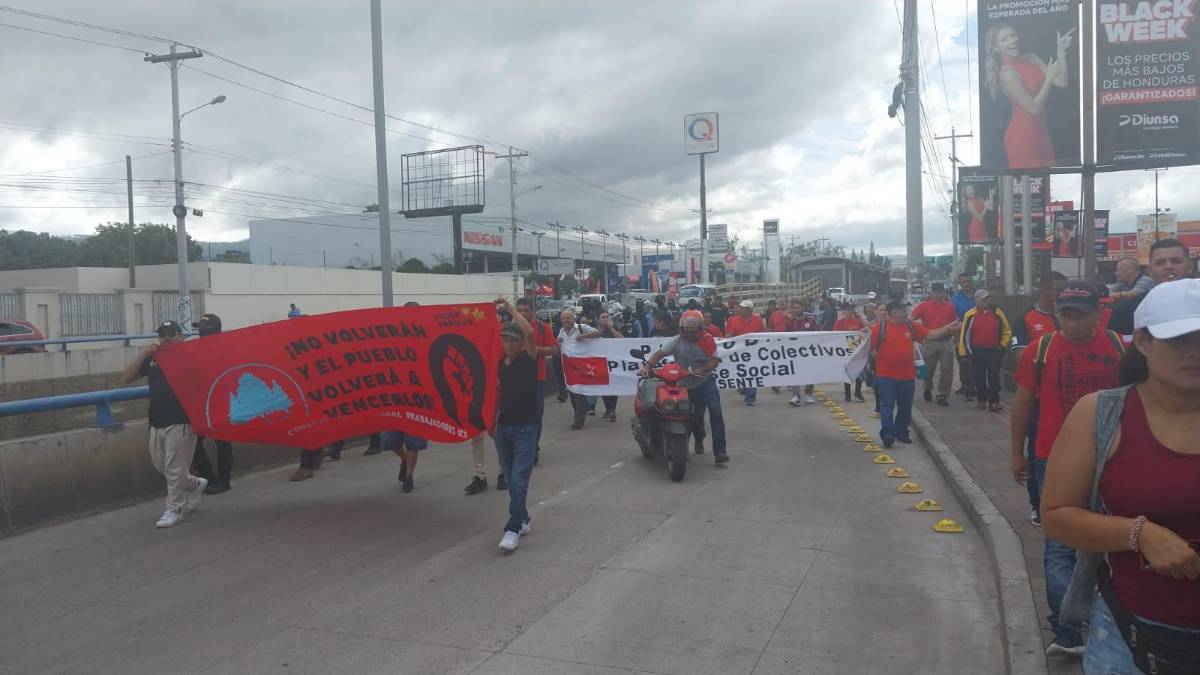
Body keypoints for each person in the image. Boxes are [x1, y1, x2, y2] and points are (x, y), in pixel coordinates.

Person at [1041, 279, 1200, 673]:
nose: (1195, 352)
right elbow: (1058, 515)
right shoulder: (1101, 414)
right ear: (1143, 342)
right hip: (1134, 637)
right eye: (1180, 339)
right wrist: (1140, 534)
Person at [1009, 282, 1125, 656]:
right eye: (1066, 314)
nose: (1073, 322)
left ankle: (1105, 621)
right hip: (1053, 457)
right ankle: (1067, 629)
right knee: (1060, 544)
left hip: (1110, 456)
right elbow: (1023, 405)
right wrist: (1017, 453)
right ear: (1057, 314)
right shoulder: (1038, 351)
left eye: (1081, 314)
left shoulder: (1119, 347)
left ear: (1098, 313)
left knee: (1108, 540)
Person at [122, 320, 206, 528]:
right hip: (157, 419)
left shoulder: (190, 356)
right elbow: (126, 377)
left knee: (174, 468)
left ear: (180, 336)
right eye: (162, 335)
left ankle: (174, 509)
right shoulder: (153, 358)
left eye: (172, 333)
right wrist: (144, 354)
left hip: (181, 419)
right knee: (161, 465)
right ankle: (194, 484)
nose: (166, 338)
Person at [870, 300, 960, 448]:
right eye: (903, 311)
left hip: (907, 376)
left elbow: (930, 334)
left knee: (905, 406)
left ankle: (902, 432)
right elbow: (866, 348)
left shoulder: (910, 326)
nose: (907, 313)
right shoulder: (879, 328)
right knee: (888, 405)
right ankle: (888, 434)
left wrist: (947, 329)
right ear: (893, 313)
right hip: (885, 376)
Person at [640, 310, 727, 463]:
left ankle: (720, 451)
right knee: (689, 417)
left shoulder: (707, 340)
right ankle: (686, 444)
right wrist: (647, 367)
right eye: (686, 332)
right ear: (681, 330)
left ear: (700, 330)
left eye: (693, 333)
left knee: (715, 412)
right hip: (684, 384)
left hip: (705, 381)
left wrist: (699, 370)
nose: (689, 336)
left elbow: (714, 361)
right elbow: (659, 354)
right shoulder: (676, 341)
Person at [984, 22, 1073, 169]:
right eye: (1004, 39)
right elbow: (1033, 109)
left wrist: (1061, 53)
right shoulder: (1007, 73)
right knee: (1025, 189)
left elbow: (1062, 82)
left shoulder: (1031, 58)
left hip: (1041, 134)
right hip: (1022, 137)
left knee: (1044, 187)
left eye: (1013, 35)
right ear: (996, 48)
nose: (1012, 40)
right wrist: (1049, 79)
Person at [493, 298, 540, 552]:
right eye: (506, 340)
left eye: (513, 340)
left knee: (519, 478)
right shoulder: (502, 365)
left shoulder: (529, 358)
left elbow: (530, 332)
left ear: (521, 343)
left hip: (525, 428)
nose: (509, 344)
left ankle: (512, 529)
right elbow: (501, 395)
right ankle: (523, 519)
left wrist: (511, 310)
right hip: (504, 428)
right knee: (511, 482)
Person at [188, 313, 235, 494]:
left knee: (223, 442)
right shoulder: (195, 350)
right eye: (199, 328)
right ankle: (208, 477)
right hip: (200, 402)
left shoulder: (224, 349)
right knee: (195, 443)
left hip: (220, 401)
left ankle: (223, 480)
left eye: (204, 329)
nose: (201, 332)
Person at [1108, 238, 1194, 335]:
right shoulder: (1128, 309)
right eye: (1160, 263)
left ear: (1190, 267)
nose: (1168, 266)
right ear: (1150, 271)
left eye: (1176, 261)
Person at [516, 298, 557, 462]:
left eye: (526, 310)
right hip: (516, 380)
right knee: (518, 416)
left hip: (537, 380)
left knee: (535, 416)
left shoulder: (542, 327)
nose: (523, 313)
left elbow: (554, 350)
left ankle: (533, 448)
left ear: (532, 310)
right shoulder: (514, 328)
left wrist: (534, 349)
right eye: (520, 310)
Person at [959, 289, 1013, 412]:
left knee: (994, 377)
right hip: (976, 351)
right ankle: (981, 400)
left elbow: (1007, 330)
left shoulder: (997, 312)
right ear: (976, 300)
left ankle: (994, 402)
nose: (986, 301)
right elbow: (965, 335)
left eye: (987, 298)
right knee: (979, 377)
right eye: (983, 299)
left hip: (994, 351)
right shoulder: (970, 314)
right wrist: (964, 353)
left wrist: (1002, 346)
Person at [911, 283, 958, 407]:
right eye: (935, 292)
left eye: (941, 292)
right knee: (928, 370)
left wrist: (957, 340)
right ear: (931, 293)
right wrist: (920, 333)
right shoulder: (924, 306)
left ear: (944, 293)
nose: (938, 295)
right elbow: (911, 319)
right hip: (930, 341)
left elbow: (954, 324)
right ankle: (927, 388)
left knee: (947, 370)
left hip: (947, 342)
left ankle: (943, 395)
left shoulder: (950, 307)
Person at [557, 309, 601, 429]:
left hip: (583, 365)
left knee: (579, 392)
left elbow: (597, 333)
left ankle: (579, 419)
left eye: (568, 318)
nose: (565, 320)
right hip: (569, 367)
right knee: (572, 391)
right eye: (563, 319)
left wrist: (583, 336)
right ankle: (579, 414)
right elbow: (559, 345)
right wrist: (558, 341)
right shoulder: (561, 331)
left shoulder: (582, 327)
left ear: (573, 318)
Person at [727, 300, 766, 406]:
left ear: (750, 310)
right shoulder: (735, 320)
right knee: (742, 373)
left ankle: (750, 398)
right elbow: (731, 335)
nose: (741, 310)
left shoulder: (757, 320)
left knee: (753, 374)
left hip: (754, 352)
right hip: (739, 352)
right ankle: (744, 388)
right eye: (741, 308)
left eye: (743, 308)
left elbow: (763, 336)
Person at [1015, 272, 1067, 346]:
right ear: (1044, 289)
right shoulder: (1024, 318)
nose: (1063, 294)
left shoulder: (1068, 317)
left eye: (1065, 290)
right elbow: (1020, 353)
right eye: (1059, 290)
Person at [951, 273, 978, 401]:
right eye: (964, 282)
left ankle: (976, 386)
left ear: (972, 281)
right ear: (960, 284)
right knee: (964, 361)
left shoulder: (979, 296)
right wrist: (956, 339)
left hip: (978, 333)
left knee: (977, 361)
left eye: (968, 281)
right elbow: (953, 320)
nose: (967, 284)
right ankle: (968, 389)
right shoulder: (955, 299)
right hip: (962, 334)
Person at [788, 300, 820, 406]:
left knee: (810, 373)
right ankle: (795, 395)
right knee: (794, 374)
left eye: (798, 307)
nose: (797, 310)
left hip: (809, 353)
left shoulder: (811, 321)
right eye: (795, 308)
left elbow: (819, 335)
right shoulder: (790, 323)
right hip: (795, 353)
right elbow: (785, 338)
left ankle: (809, 394)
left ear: (803, 308)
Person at [594, 311, 623, 421]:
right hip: (600, 362)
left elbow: (622, 339)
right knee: (604, 387)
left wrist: (611, 329)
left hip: (612, 362)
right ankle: (608, 408)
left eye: (607, 316)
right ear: (598, 320)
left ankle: (612, 410)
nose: (606, 318)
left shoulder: (613, 329)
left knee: (613, 386)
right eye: (603, 317)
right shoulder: (594, 331)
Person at [835, 303, 866, 402]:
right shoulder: (839, 322)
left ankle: (858, 392)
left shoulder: (858, 321)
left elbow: (865, 333)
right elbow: (835, 335)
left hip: (857, 350)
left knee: (859, 373)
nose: (848, 312)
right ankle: (847, 394)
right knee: (847, 372)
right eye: (846, 310)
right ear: (844, 312)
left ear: (853, 311)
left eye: (850, 310)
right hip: (846, 351)